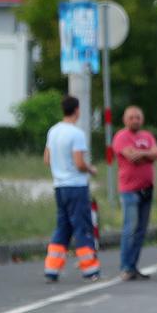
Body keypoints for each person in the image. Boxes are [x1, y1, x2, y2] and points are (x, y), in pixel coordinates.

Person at [42, 95, 101, 282]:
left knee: (63, 226)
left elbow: (46, 159)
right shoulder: (77, 134)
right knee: (82, 227)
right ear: (77, 110)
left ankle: (52, 268)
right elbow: (79, 163)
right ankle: (90, 269)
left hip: (59, 186)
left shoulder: (53, 131)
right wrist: (90, 169)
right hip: (76, 185)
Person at [111, 105, 157, 280]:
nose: (135, 120)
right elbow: (130, 156)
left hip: (147, 189)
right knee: (130, 229)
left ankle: (133, 266)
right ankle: (125, 267)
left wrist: (141, 154)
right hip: (129, 190)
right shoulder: (121, 136)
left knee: (141, 230)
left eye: (138, 117)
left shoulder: (147, 135)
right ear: (125, 120)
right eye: (131, 117)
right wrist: (147, 154)